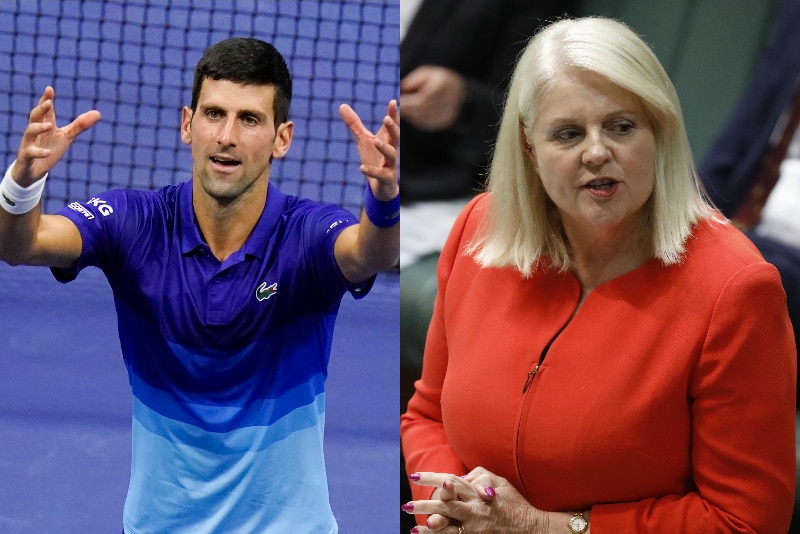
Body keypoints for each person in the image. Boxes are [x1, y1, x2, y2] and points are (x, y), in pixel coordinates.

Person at [400, 16, 795, 534]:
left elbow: (747, 520)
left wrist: (546, 526)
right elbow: (427, 415)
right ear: (528, 147)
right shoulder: (479, 229)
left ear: (660, 131)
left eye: (621, 126)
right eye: (567, 133)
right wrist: (454, 505)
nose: (596, 152)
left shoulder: (736, 289)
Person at [0, 38, 398, 533]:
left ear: (282, 138)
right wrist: (23, 184)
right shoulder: (134, 223)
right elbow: (21, 245)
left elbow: (372, 253)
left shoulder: (307, 234)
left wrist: (384, 199)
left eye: (249, 119)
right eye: (214, 114)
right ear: (188, 124)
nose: (226, 136)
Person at [699, 0, 800, 408]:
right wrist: (686, 213)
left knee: (749, 284)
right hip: (749, 226)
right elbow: (749, 121)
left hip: (783, 258)